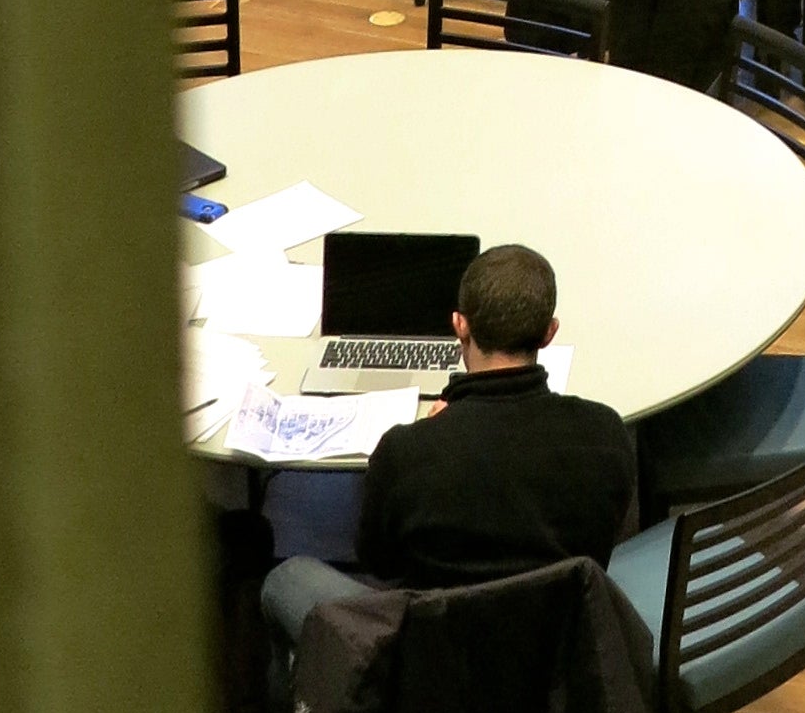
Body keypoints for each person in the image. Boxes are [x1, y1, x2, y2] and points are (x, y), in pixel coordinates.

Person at [260, 242, 638, 676]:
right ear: (550, 332)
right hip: (554, 665)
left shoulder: (408, 452)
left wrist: (436, 433)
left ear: (460, 325)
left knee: (286, 578)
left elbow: (380, 564)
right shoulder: (606, 434)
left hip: (431, 668)